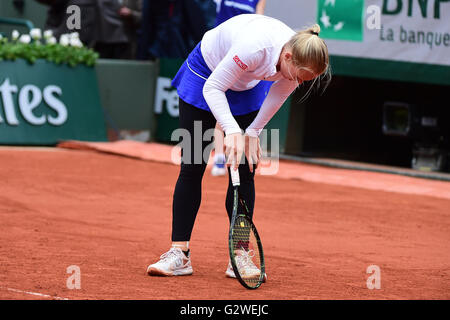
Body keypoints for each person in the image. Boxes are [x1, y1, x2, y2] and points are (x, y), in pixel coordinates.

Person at [146, 14, 330, 279]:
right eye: (301, 77)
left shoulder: (297, 60)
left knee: (245, 170)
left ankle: (239, 256)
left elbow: (278, 95)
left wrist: (253, 132)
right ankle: (179, 254)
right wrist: (232, 130)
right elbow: (214, 88)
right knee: (193, 164)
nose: (301, 82)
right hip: (207, 75)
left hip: (247, 84)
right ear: (288, 58)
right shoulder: (255, 48)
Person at [211, 0, 267, 176]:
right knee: (223, 105)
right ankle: (219, 158)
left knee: (245, 109)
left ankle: (240, 157)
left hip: (247, 54)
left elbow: (259, 19)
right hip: (224, 52)